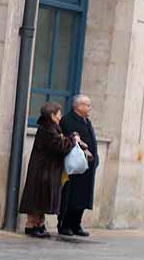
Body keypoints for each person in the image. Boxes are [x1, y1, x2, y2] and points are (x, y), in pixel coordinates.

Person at [18, 102, 86, 238]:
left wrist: (70, 138)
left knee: (42, 199)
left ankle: (39, 224)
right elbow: (60, 146)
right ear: (52, 115)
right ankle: (32, 225)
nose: (60, 116)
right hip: (42, 171)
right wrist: (73, 139)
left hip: (47, 170)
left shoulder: (51, 127)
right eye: (59, 114)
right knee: (38, 199)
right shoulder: (47, 129)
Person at [58, 94, 100, 237]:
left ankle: (76, 224)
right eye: (87, 105)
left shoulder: (86, 121)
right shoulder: (68, 121)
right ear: (78, 106)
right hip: (74, 167)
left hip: (87, 167)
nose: (90, 108)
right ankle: (65, 224)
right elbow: (70, 141)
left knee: (83, 197)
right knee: (71, 196)